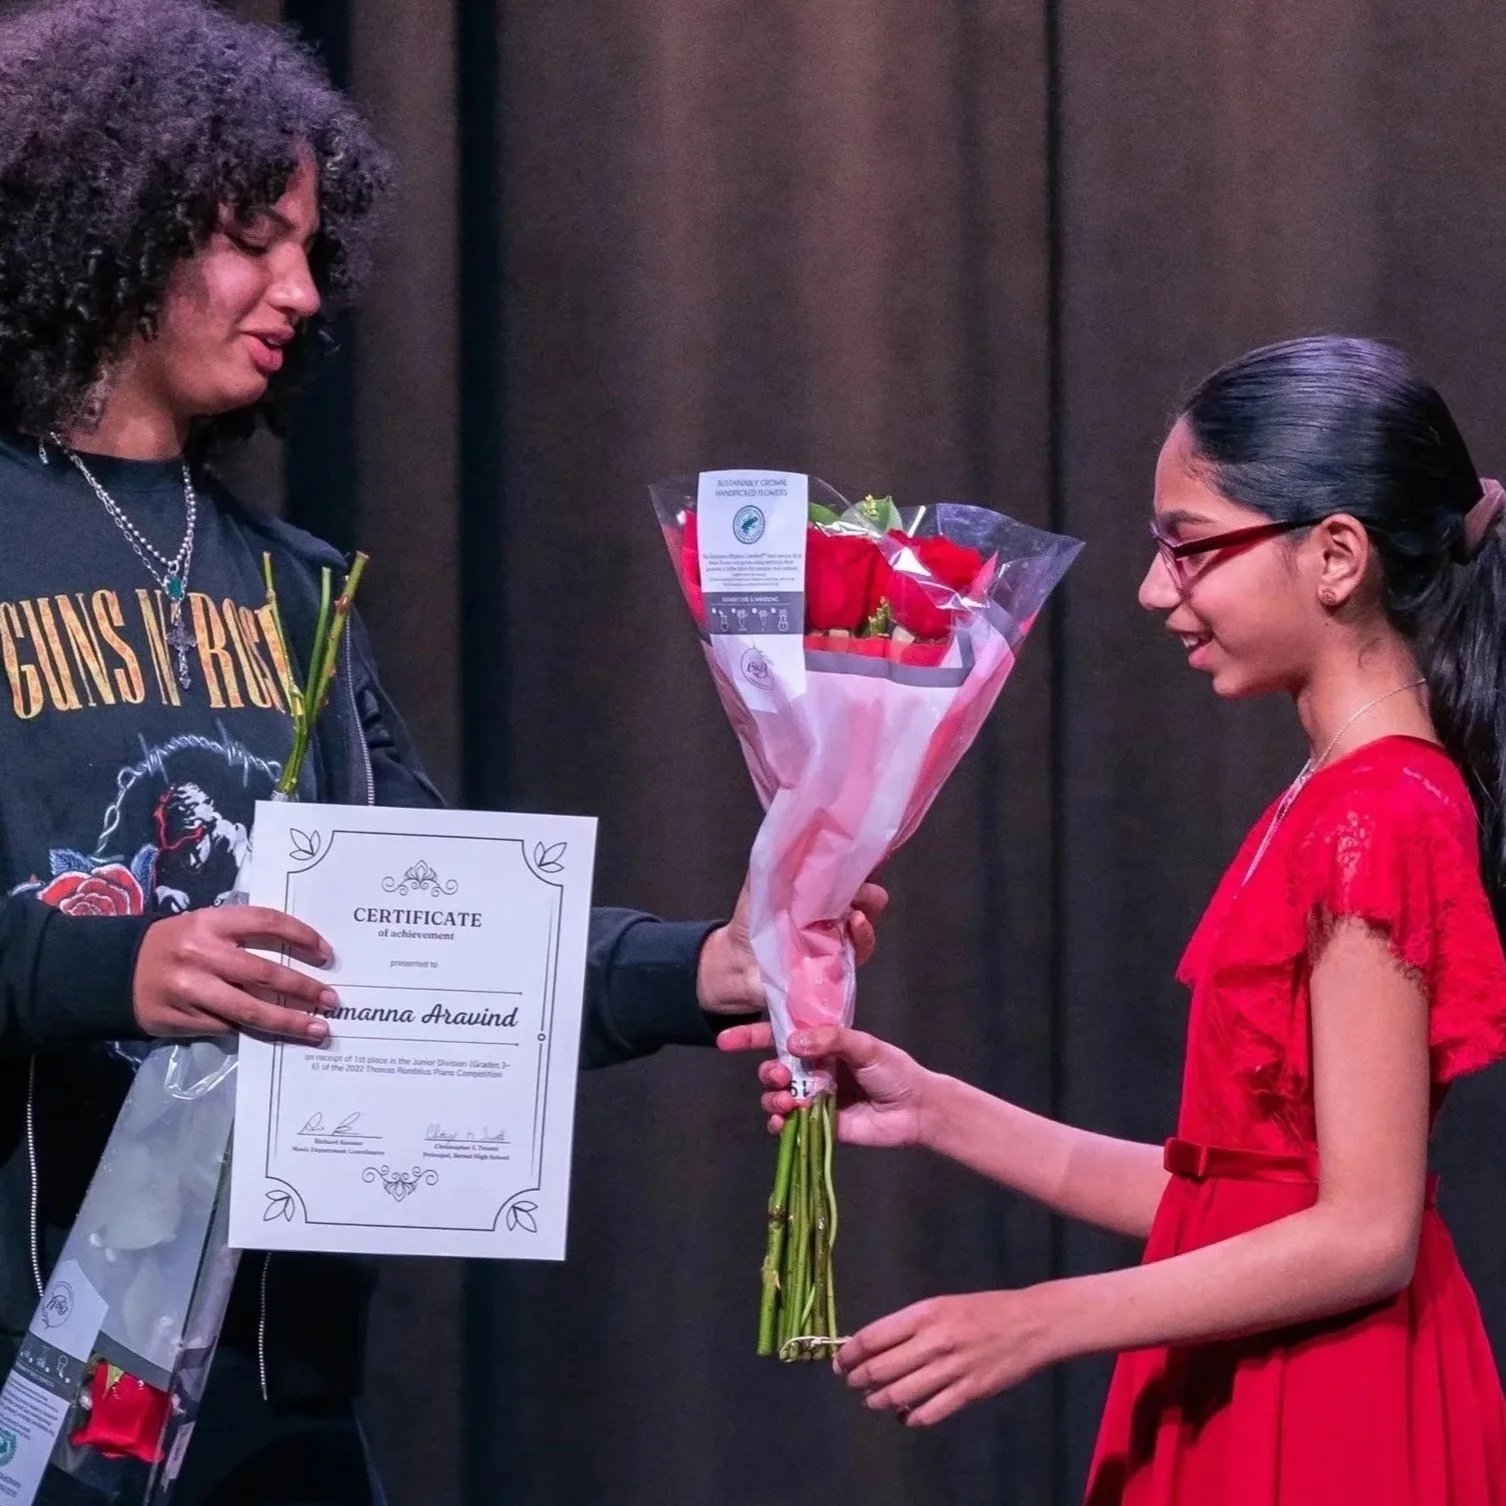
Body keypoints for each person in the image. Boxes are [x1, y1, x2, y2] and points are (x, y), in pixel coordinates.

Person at [0, 3, 885, 1502]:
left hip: (268, 1387)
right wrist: (108, 966)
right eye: (254, 241)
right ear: (112, 219)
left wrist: (711, 967)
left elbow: (440, 930)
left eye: (312, 250)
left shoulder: (299, 587)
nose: (301, 290)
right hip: (33, 1364)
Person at [727, 335, 1506, 1503]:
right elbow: (1234, 1196)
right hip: (1263, 1372)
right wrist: (936, 1108)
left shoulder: (1379, 812)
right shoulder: (1335, 795)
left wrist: (1039, 1320)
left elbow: (1365, 1233)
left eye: (1189, 548)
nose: (1153, 589)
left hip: (1327, 1403)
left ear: (1336, 555)